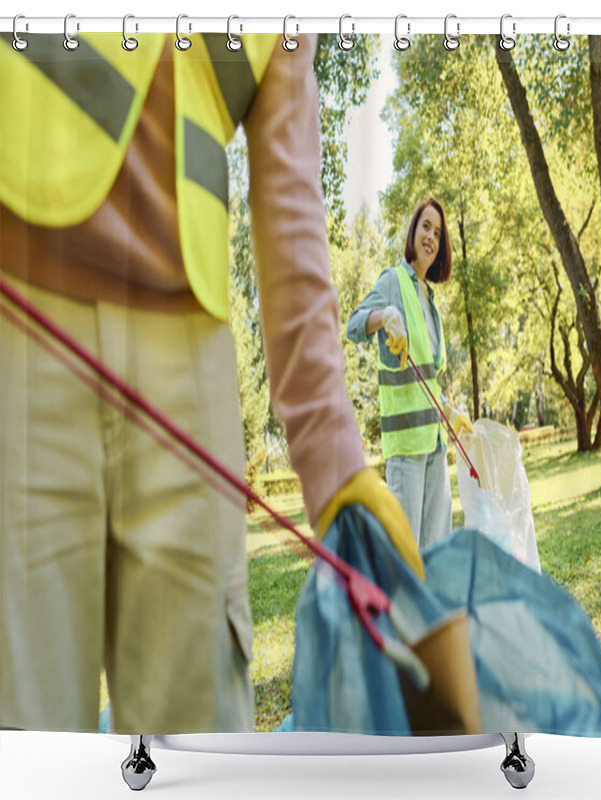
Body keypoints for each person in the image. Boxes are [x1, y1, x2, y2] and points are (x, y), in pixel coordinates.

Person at [0, 31, 421, 735]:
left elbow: (290, 201)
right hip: (21, 322)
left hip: (190, 367)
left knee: (203, 746)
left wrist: (336, 463)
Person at [346, 197, 473, 551]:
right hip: (404, 448)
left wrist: (449, 411)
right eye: (425, 227)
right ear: (413, 232)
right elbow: (353, 326)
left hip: (434, 443)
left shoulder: (430, 302)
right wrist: (384, 315)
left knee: (435, 548)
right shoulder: (392, 281)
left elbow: (427, 378)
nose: (431, 236)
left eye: (437, 231)